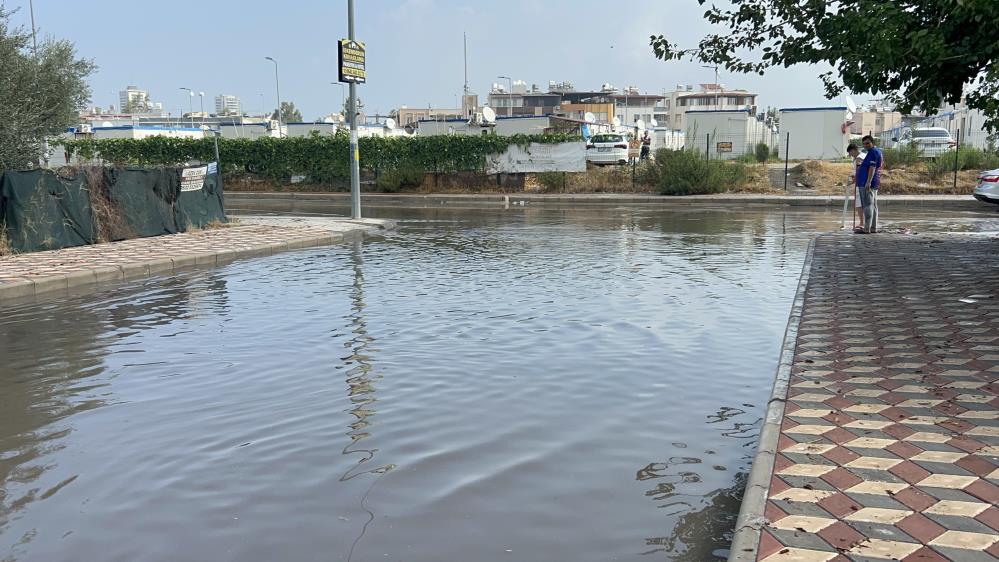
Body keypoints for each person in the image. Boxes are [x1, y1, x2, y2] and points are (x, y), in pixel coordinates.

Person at [856, 135, 882, 233]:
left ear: (872, 143)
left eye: (867, 143)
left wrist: (868, 182)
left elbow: (872, 168)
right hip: (870, 182)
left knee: (867, 205)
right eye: (864, 144)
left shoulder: (873, 152)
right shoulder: (874, 152)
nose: (865, 145)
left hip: (867, 183)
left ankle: (867, 228)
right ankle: (873, 227)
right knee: (873, 205)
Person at [846, 143, 865, 231]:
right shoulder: (863, 156)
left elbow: (859, 172)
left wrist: (852, 182)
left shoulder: (859, 158)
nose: (850, 155)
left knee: (858, 203)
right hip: (861, 182)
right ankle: (864, 222)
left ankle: (862, 222)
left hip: (860, 183)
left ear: (853, 150)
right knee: (862, 203)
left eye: (850, 153)